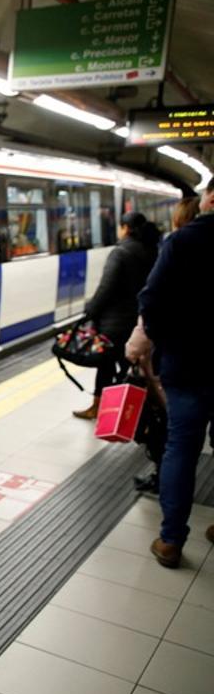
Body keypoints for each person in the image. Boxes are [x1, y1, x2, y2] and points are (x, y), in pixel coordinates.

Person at [129, 179, 214, 568]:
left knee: (181, 447)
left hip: (187, 364)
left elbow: (152, 300)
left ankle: (171, 541)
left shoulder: (181, 242)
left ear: (210, 199)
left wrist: (161, 342)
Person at [71, 211, 159, 419]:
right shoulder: (151, 250)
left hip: (115, 322)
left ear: (125, 228)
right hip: (137, 319)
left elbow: (106, 288)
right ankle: (139, 405)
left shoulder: (120, 253)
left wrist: (90, 312)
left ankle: (102, 407)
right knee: (132, 366)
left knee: (106, 364)